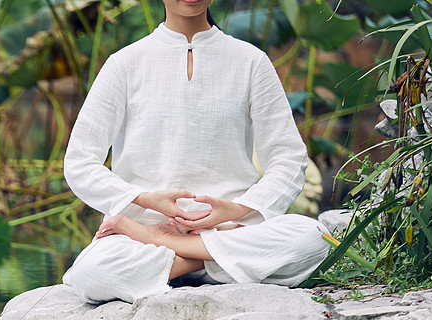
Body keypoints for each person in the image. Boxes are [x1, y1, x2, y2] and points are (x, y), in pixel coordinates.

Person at [61, 0, 332, 303]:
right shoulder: (124, 63)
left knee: (314, 238)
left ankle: (177, 257)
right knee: (93, 272)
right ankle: (207, 259)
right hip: (140, 235)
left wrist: (239, 209)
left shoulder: (251, 61)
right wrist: (143, 199)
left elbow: (288, 157)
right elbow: (80, 162)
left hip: (231, 229)